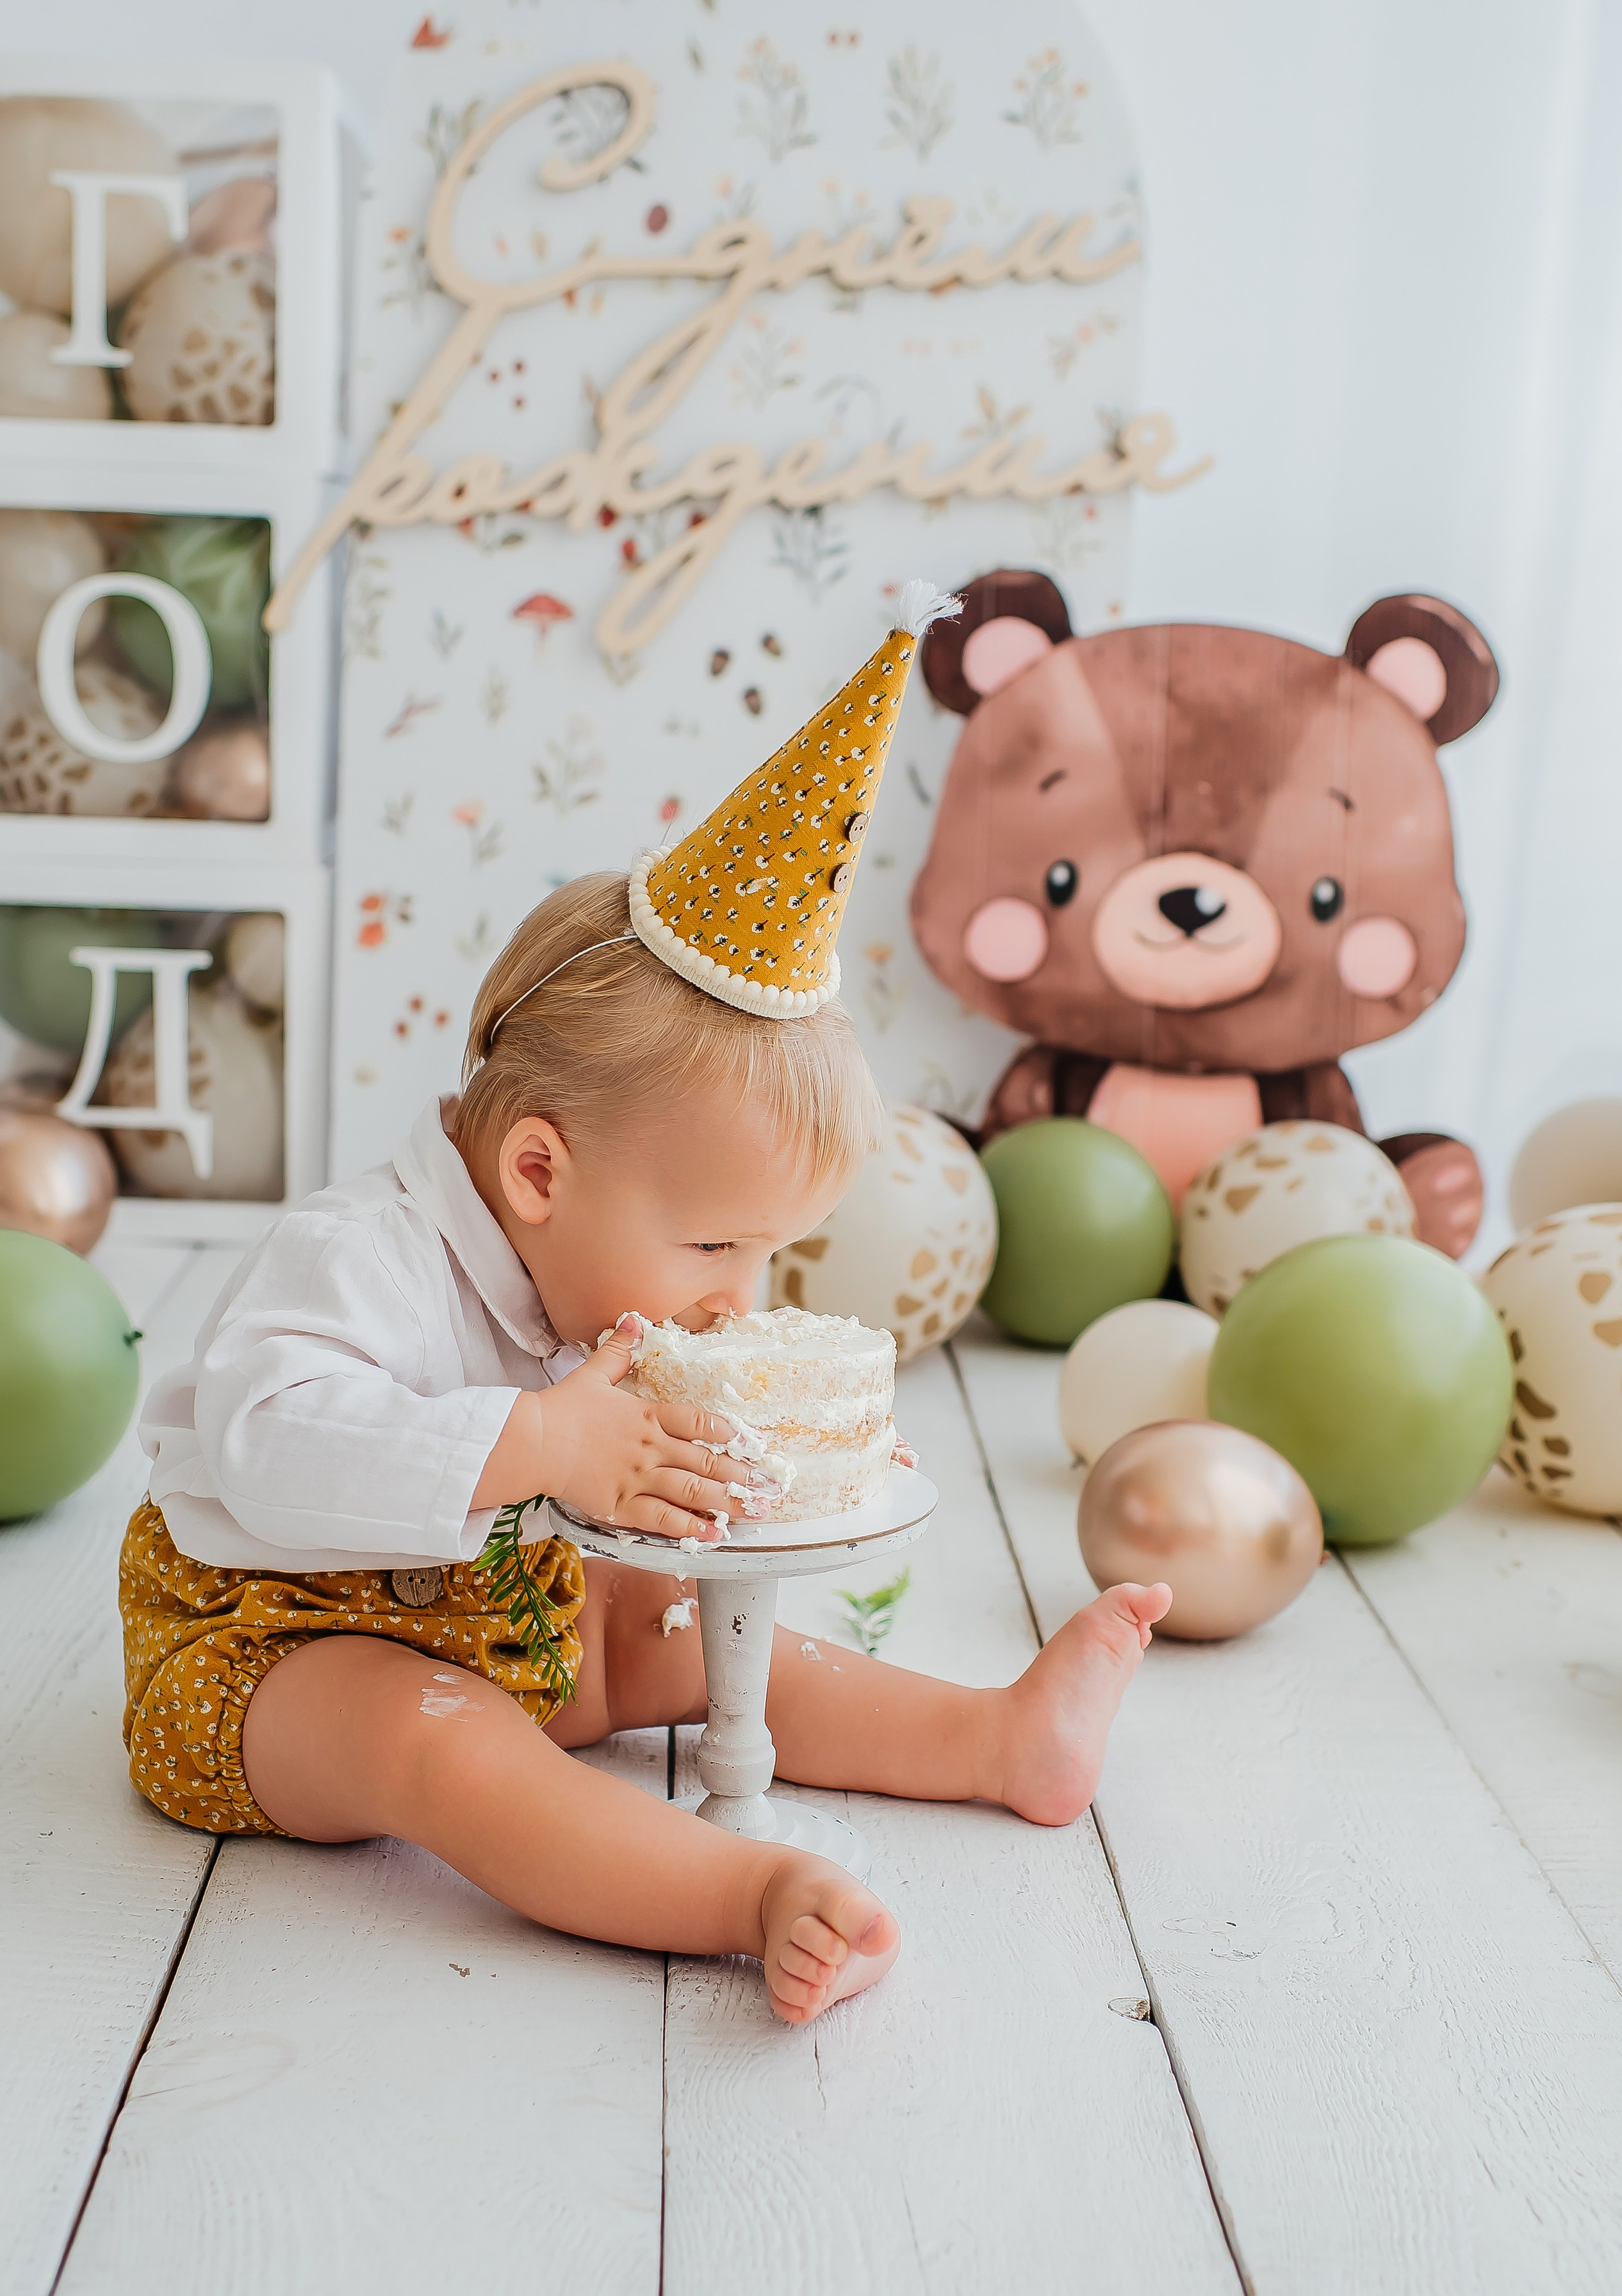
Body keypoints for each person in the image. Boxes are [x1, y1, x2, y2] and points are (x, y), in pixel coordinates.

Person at [120, 592, 1170, 2024]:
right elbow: (266, 1442)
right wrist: (542, 1445)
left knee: (676, 1628)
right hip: (268, 1645)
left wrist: (789, 1473)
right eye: (716, 1245)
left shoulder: (602, 1262)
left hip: (506, 1613)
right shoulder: (358, 1252)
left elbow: (641, 1493)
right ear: (537, 1170)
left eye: (771, 1255)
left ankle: (992, 1740)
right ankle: (738, 1892)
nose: (739, 1297)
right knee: (449, 1748)